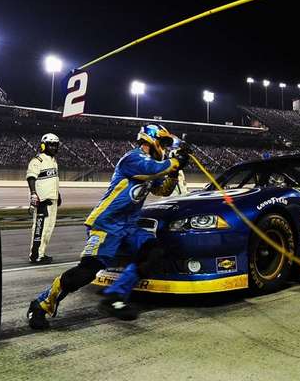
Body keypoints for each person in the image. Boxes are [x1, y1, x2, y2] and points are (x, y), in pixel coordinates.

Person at [26, 124, 190, 328]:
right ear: (151, 139)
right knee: (86, 272)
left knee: (153, 252)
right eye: (163, 143)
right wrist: (175, 161)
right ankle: (41, 304)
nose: (164, 148)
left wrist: (175, 171)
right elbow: (153, 170)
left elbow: (163, 190)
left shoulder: (153, 165)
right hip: (106, 224)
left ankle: (115, 295)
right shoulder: (133, 159)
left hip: (129, 226)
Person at [28, 133, 61, 264]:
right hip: (42, 202)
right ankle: (35, 255)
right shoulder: (37, 161)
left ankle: (41, 253)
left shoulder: (54, 161)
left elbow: (53, 180)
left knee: (48, 229)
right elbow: (31, 177)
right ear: (43, 145)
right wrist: (33, 194)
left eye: (55, 145)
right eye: (50, 145)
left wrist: (58, 194)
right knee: (39, 228)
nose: (53, 148)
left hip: (52, 200)